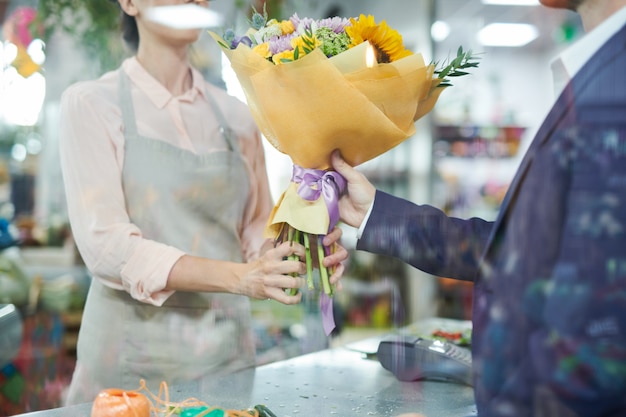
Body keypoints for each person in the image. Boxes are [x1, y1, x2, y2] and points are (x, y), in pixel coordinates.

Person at [331, 0, 626, 416]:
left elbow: (603, 345)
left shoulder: (614, 86)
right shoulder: (599, 70)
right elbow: (514, 251)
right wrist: (375, 214)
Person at [58, 0, 346, 405]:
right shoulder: (91, 104)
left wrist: (304, 252)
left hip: (224, 363)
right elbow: (108, 248)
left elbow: (255, 232)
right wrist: (239, 278)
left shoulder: (239, 117)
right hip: (129, 369)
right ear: (128, 3)